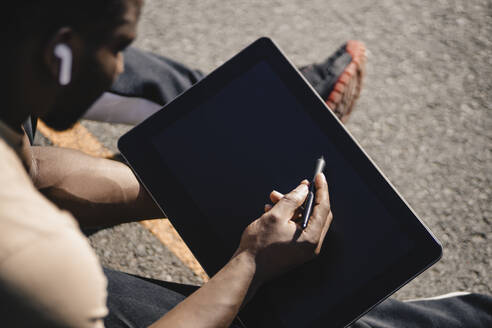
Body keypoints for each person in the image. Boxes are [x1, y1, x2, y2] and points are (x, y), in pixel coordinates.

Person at [1, 1, 490, 328]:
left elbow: (31, 173)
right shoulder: (44, 265)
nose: (123, 68)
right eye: (119, 48)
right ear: (56, 54)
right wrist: (251, 263)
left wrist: (196, 183)